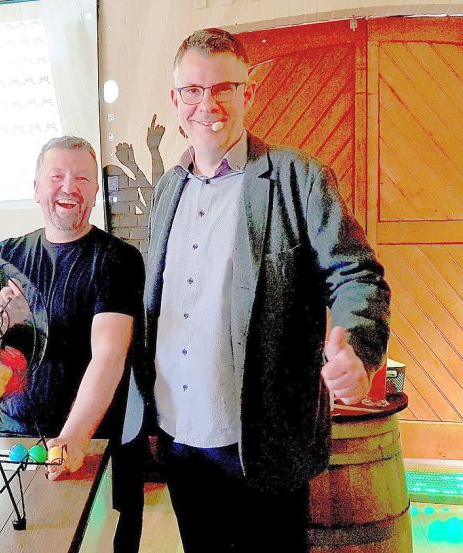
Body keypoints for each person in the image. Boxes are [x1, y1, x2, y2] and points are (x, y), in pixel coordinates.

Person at [122, 28, 391, 552]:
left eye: (225, 87)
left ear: (249, 93)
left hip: (262, 439)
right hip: (180, 435)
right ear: (176, 101)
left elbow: (357, 274)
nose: (209, 104)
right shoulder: (167, 189)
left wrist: (355, 345)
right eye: (194, 90)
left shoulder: (299, 179)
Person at [0, 136, 145, 550]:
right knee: (17, 541)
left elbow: (110, 353)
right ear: (36, 188)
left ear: (94, 192)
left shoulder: (116, 259)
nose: (69, 187)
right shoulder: (6, 255)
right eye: (57, 176)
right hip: (15, 438)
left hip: (97, 440)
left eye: (82, 178)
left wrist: (74, 438)